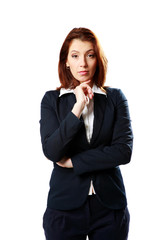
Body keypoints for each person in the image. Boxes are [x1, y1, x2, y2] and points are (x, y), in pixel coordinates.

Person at [40, 27, 133, 240]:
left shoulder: (115, 98)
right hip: (64, 208)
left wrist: (75, 162)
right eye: (75, 56)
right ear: (66, 61)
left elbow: (123, 151)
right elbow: (53, 151)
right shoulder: (50, 101)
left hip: (110, 208)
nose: (83, 63)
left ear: (97, 59)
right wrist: (78, 107)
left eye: (90, 55)